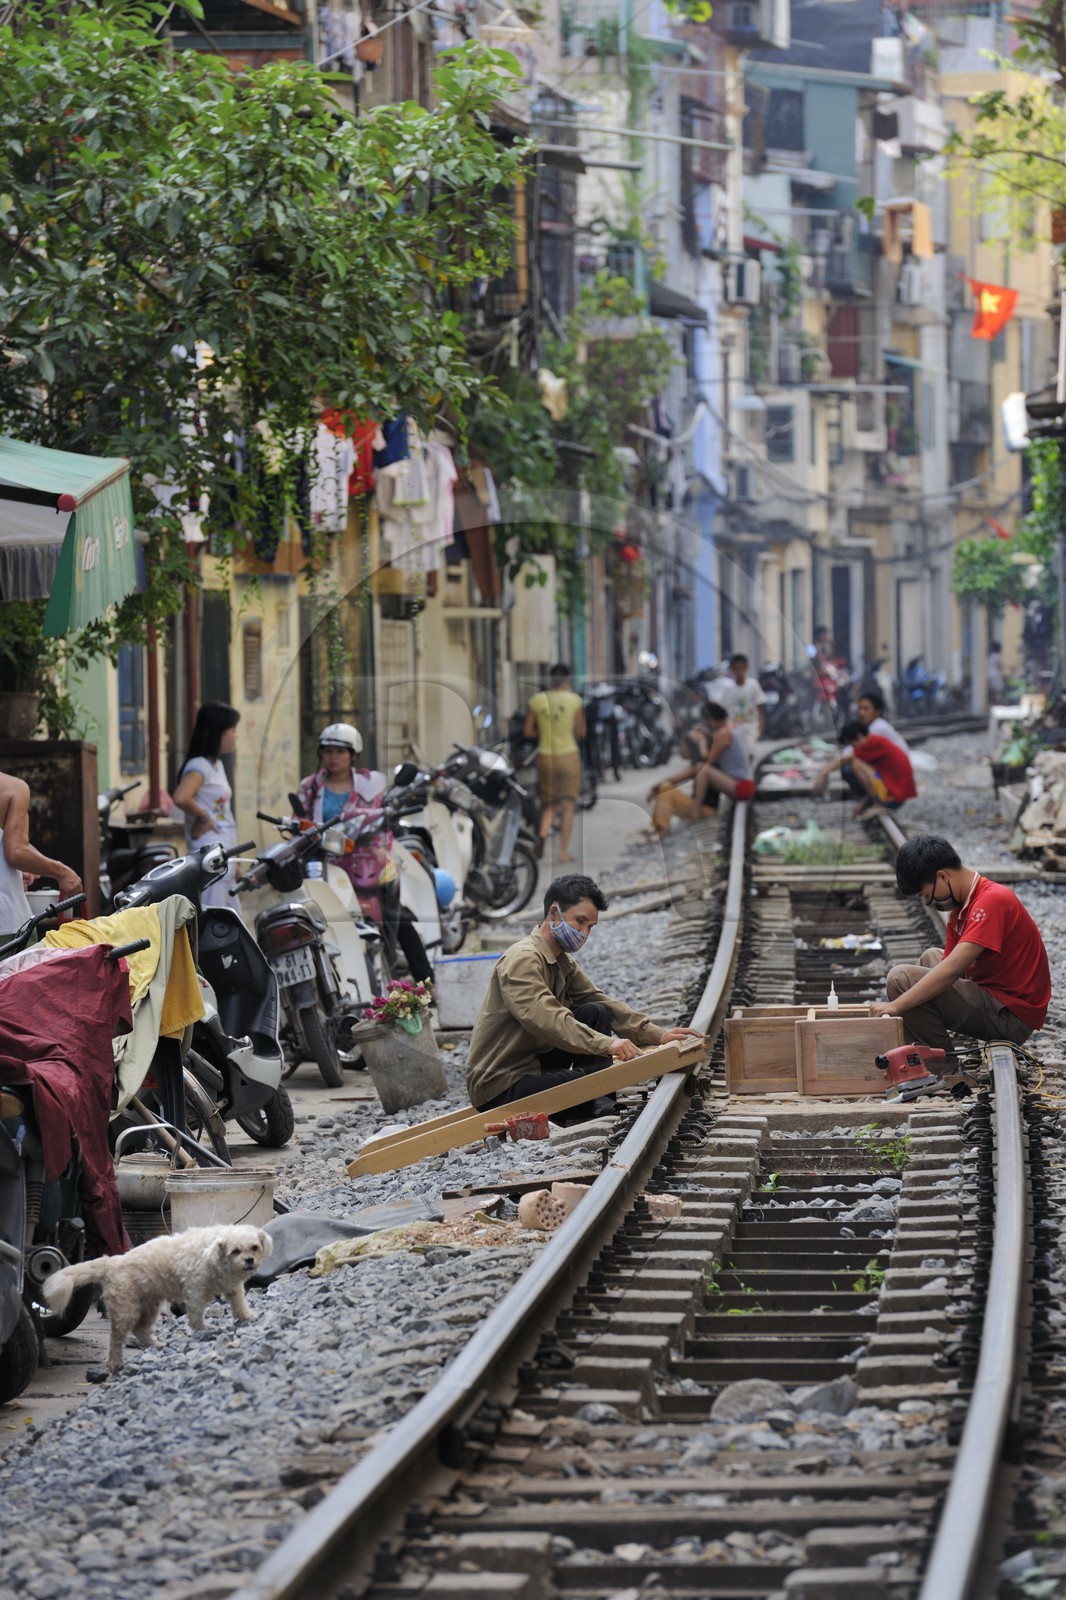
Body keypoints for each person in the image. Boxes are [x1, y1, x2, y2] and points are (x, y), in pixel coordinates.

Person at [466, 872, 704, 1121]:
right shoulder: (523, 959)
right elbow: (547, 1018)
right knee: (583, 1084)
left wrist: (657, 1034)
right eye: (580, 922)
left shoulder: (561, 960)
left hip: (530, 1064)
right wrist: (606, 1044)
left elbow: (599, 1000)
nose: (584, 933)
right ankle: (592, 1104)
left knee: (595, 1012)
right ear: (554, 914)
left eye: (590, 926)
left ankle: (600, 1104)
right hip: (501, 1083)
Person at [875, 834, 1050, 1058]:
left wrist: (896, 1005)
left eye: (926, 895)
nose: (929, 903)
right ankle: (932, 1050)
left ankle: (939, 1068)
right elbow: (947, 965)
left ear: (942, 876)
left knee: (900, 979)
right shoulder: (962, 908)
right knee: (931, 957)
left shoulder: (991, 901)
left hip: (1011, 1016)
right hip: (996, 999)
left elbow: (953, 970)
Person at [295, 722, 433, 988]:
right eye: (327, 751)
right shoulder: (310, 788)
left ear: (353, 755)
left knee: (397, 917)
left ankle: (427, 982)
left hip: (368, 862)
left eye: (340, 751)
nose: (332, 757)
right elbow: (299, 823)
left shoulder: (372, 786)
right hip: (326, 864)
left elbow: (384, 820)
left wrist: (379, 851)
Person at [645, 700, 752, 839]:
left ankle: (666, 828)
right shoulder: (731, 730)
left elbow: (675, 779)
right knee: (667, 787)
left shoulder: (702, 762)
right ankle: (658, 827)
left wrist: (654, 789)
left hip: (711, 807)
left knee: (666, 787)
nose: (683, 754)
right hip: (728, 795)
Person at [172, 702, 241, 911]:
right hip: (210, 851)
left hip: (225, 850)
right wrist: (203, 817)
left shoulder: (216, 765)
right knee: (215, 916)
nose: (235, 735)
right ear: (217, 733)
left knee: (233, 919)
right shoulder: (199, 766)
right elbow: (181, 797)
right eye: (232, 730)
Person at [0, 770, 82, 939]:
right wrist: (63, 873)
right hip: (6, 926)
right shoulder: (12, 788)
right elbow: (16, 852)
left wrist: (13, 871)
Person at [525, 663, 585, 864]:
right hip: (568, 754)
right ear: (567, 680)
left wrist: (543, 732)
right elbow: (581, 732)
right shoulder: (574, 700)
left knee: (549, 803)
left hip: (545, 756)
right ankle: (563, 853)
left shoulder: (537, 700)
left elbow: (527, 732)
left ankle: (543, 831)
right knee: (568, 804)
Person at [812, 717, 916, 820]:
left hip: (895, 798)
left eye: (853, 744)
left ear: (860, 736)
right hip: (897, 795)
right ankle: (872, 800)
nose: (853, 748)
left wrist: (823, 772)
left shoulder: (872, 743)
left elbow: (845, 758)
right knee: (852, 766)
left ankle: (879, 803)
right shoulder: (875, 741)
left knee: (856, 764)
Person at [690, 702, 756, 813]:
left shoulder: (722, 734)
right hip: (748, 784)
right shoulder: (735, 727)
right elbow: (751, 755)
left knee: (702, 769)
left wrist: (701, 741)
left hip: (741, 787)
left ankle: (695, 810)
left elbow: (708, 760)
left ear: (711, 720)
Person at [711, 654, 766, 756]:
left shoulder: (753, 685)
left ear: (746, 668)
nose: (739, 672)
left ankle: (747, 771)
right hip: (734, 726)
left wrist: (761, 720)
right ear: (732, 670)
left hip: (751, 724)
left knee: (750, 750)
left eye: (741, 669)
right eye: (736, 669)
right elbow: (722, 707)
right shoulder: (728, 688)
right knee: (738, 751)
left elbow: (760, 702)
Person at [854, 687, 909, 752]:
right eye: (860, 708)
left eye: (866, 709)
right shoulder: (876, 725)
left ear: (877, 711)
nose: (861, 713)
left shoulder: (878, 728)